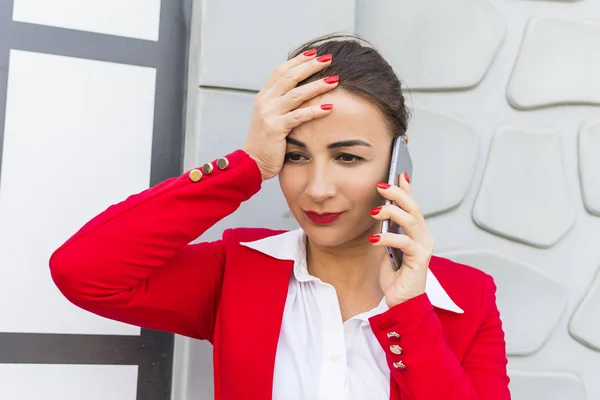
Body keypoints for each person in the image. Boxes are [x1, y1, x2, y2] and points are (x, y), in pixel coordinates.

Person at [49, 34, 510, 400]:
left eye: (348, 158)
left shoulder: (468, 300)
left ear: (397, 162)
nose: (317, 189)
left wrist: (410, 313)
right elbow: (84, 272)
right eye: (295, 156)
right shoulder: (238, 271)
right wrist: (249, 165)